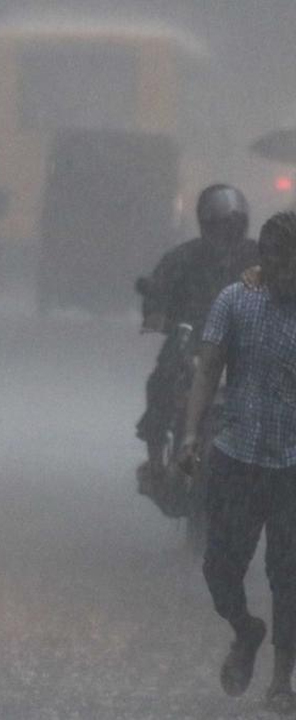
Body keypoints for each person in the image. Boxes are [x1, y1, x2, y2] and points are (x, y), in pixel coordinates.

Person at [178, 211, 296, 712]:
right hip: (236, 457)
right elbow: (208, 370)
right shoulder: (235, 300)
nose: (287, 274)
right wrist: (189, 435)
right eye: (278, 262)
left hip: (291, 466)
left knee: (288, 574)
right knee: (219, 571)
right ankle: (245, 629)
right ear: (262, 261)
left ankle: (280, 682)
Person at [137, 185, 258, 468]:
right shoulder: (182, 258)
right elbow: (158, 293)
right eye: (220, 227)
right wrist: (157, 313)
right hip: (191, 339)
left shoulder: (262, 257)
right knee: (163, 379)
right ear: (206, 224)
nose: (226, 234)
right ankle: (155, 459)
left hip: (246, 343)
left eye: (233, 227)